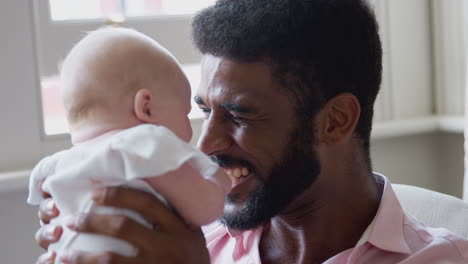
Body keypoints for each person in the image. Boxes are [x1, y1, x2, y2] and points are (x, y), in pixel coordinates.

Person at [35, 0, 468, 263]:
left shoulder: (440, 259)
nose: (204, 145)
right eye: (204, 110)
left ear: (336, 120)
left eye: (240, 115)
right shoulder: (177, 233)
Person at [28, 27, 231, 263]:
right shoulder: (147, 144)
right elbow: (205, 209)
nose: (197, 138)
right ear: (146, 107)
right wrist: (218, 183)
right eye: (186, 113)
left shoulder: (54, 165)